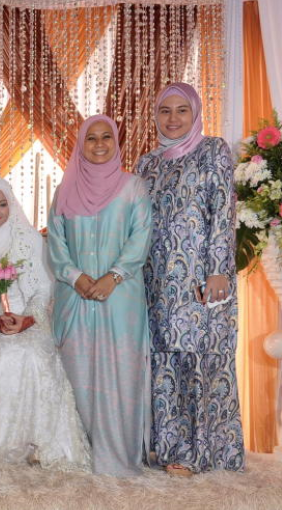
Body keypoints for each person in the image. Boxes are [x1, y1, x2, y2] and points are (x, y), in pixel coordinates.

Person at [135, 82, 245, 476]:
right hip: (154, 280)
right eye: (165, 110)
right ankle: (169, 448)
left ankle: (201, 452)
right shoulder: (147, 164)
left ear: (195, 113)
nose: (173, 118)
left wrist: (218, 269)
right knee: (164, 359)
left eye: (182, 110)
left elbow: (223, 210)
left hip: (200, 278)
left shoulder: (212, 150)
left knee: (200, 358)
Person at [48, 114, 152, 477]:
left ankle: (118, 459)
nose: (99, 144)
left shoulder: (133, 187)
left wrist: (114, 276)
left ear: (116, 142)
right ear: (81, 144)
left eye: (106, 137)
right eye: (91, 138)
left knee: (121, 376)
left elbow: (141, 237)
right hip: (75, 297)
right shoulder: (65, 190)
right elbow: (57, 244)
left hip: (120, 297)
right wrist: (75, 277)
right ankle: (80, 456)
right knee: (77, 374)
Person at [0, 177, 92, 470]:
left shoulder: (30, 238)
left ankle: (46, 441)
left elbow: (44, 288)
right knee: (7, 355)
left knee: (36, 353)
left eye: (2, 204)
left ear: (12, 205)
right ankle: (4, 446)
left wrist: (27, 318)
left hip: (30, 319)